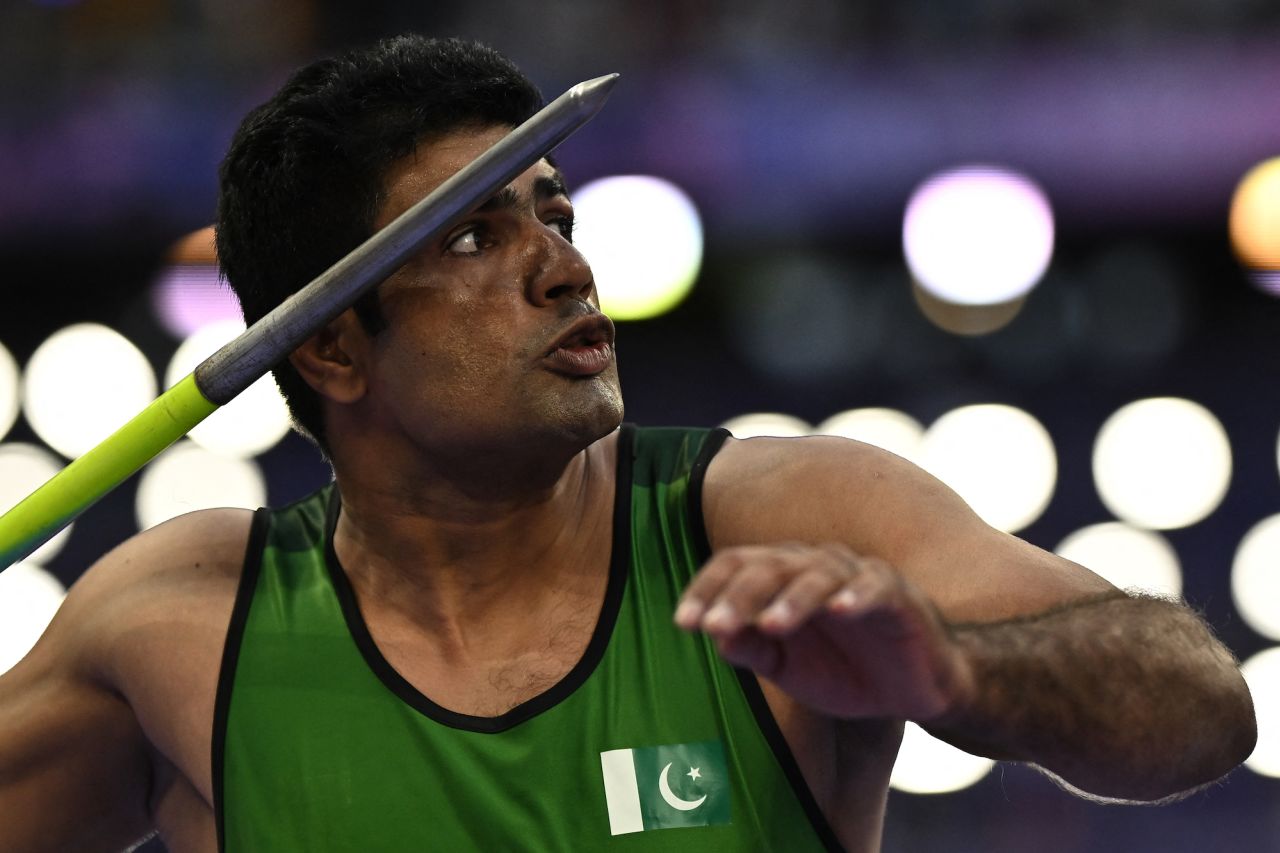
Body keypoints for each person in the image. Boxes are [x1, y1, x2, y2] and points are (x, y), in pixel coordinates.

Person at [0, 35, 1256, 853]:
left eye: (552, 210)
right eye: (475, 240)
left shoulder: (780, 519)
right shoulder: (175, 624)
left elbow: (1200, 711)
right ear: (331, 351)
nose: (564, 265)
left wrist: (959, 676)